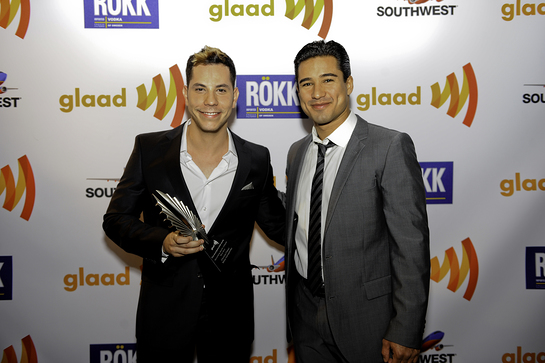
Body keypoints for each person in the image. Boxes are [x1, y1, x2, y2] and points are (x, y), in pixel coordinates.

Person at [103, 46, 285, 362]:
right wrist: (162, 241)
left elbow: (279, 226)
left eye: (221, 90)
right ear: (186, 94)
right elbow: (116, 218)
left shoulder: (257, 158)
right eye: (200, 89)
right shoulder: (149, 149)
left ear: (235, 95)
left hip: (231, 319)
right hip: (164, 313)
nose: (210, 101)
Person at [283, 40, 430, 363]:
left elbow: (411, 246)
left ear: (348, 84)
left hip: (369, 323)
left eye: (328, 80)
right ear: (298, 92)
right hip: (306, 318)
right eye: (306, 83)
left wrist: (406, 329)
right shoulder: (297, 153)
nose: (317, 92)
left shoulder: (389, 147)